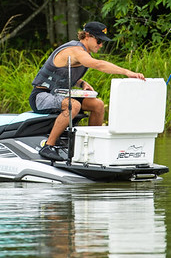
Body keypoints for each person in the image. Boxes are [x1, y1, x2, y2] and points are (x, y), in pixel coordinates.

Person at [30, 21, 145, 161]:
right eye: (99, 40)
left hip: (59, 95)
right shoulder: (76, 51)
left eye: (103, 42)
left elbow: (62, 74)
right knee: (74, 105)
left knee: (98, 105)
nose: (101, 45)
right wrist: (127, 72)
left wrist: (82, 83)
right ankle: (48, 146)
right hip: (41, 96)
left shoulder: (82, 53)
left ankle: (92, 149)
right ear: (88, 36)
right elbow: (98, 64)